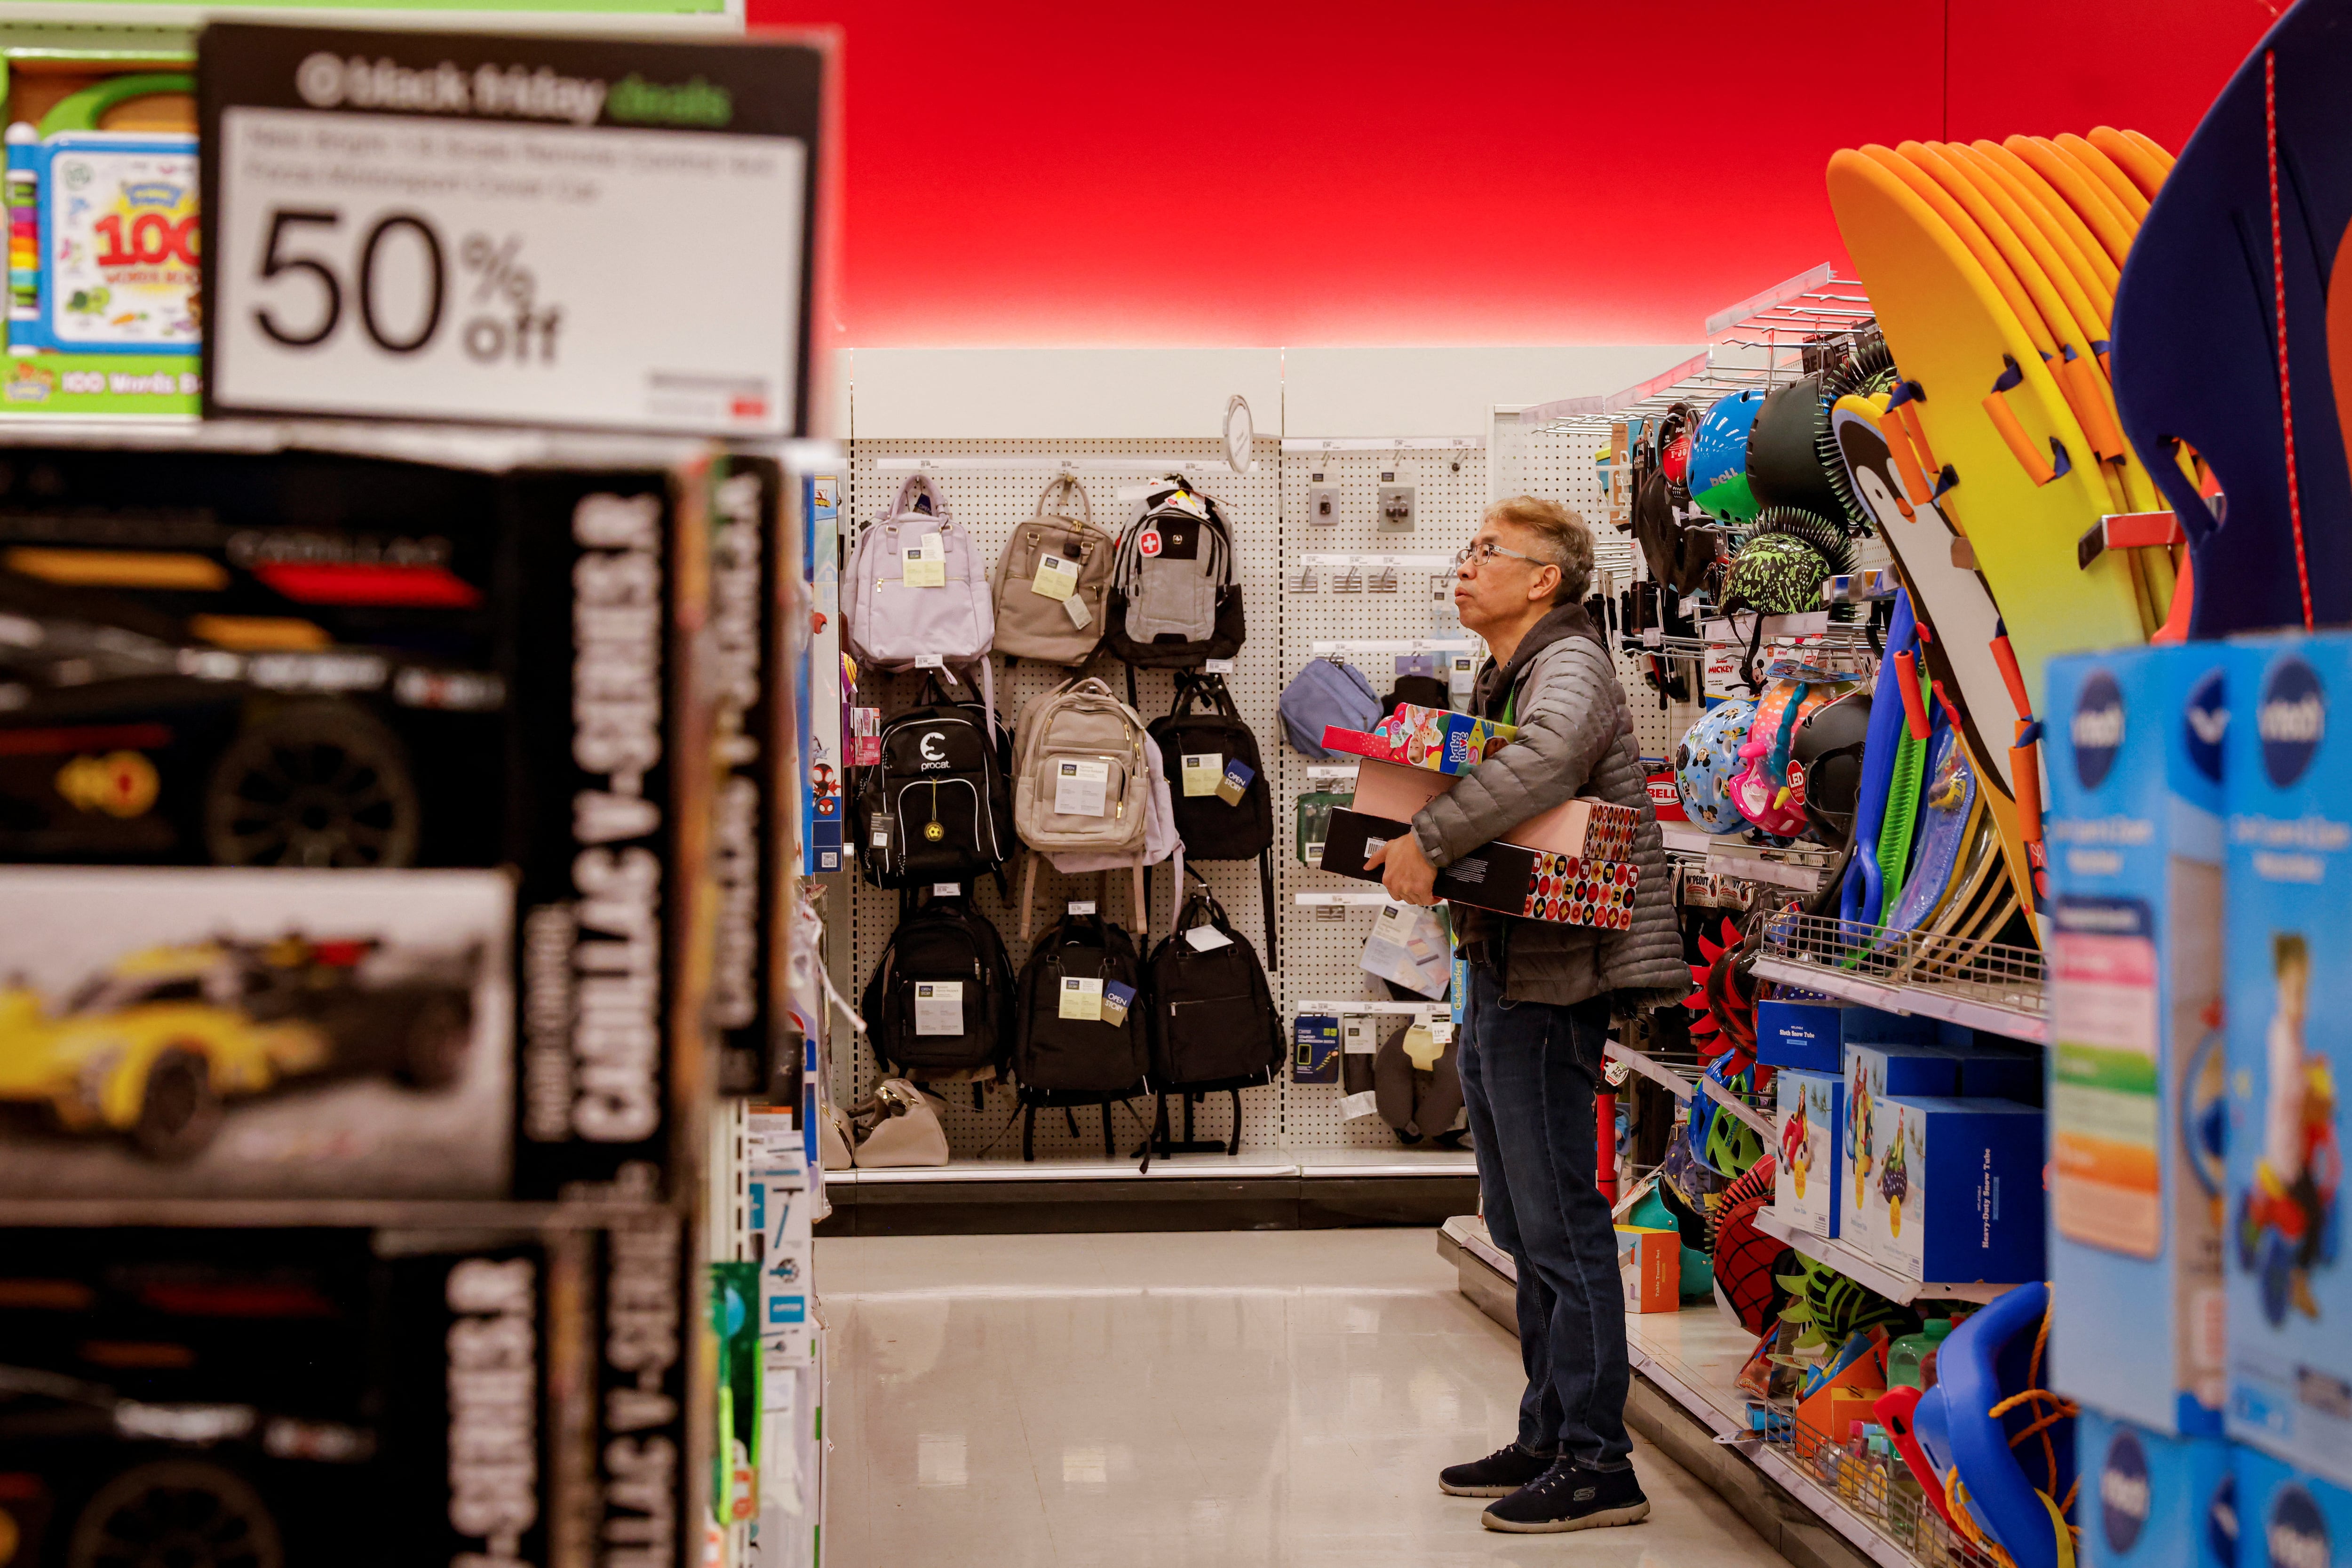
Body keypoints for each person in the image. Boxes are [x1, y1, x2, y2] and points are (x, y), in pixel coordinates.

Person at [1366, 495, 1685, 1535]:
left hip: (1554, 983)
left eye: (1486, 552)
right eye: (1466, 550)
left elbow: (1543, 764)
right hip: (1507, 965)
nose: (1465, 567)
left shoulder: (1572, 663)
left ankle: (1600, 1460)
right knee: (1517, 1220)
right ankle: (1550, 1428)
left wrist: (1430, 835)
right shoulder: (1519, 663)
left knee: (1560, 1224)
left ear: (1545, 578)